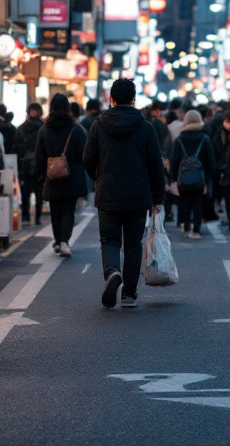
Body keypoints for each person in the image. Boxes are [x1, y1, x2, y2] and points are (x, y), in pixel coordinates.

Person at [83, 79, 165, 309]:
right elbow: (155, 165)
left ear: (111, 99)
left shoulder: (98, 125)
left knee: (109, 240)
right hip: (138, 195)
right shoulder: (145, 127)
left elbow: (88, 158)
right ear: (133, 100)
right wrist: (157, 197)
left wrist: (99, 178)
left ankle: (112, 273)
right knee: (132, 244)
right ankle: (129, 293)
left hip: (108, 192)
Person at [31, 94, 88, 258]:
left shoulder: (44, 130)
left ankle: (58, 241)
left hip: (52, 175)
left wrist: (41, 175)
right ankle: (64, 241)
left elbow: (39, 155)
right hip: (72, 176)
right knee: (69, 210)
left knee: (55, 210)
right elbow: (84, 154)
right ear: (68, 108)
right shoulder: (76, 130)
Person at [169, 110, 216, 239]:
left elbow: (173, 161)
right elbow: (210, 160)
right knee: (197, 203)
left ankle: (186, 227)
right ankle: (196, 229)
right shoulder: (204, 139)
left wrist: (173, 177)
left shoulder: (179, 140)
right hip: (200, 178)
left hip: (183, 177)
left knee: (184, 202)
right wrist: (208, 178)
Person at [15, 103, 45, 225]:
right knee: (38, 192)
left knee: (26, 191)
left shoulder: (21, 128)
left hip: (25, 163)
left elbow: (17, 147)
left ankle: (26, 216)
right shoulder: (43, 127)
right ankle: (37, 217)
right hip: (40, 163)